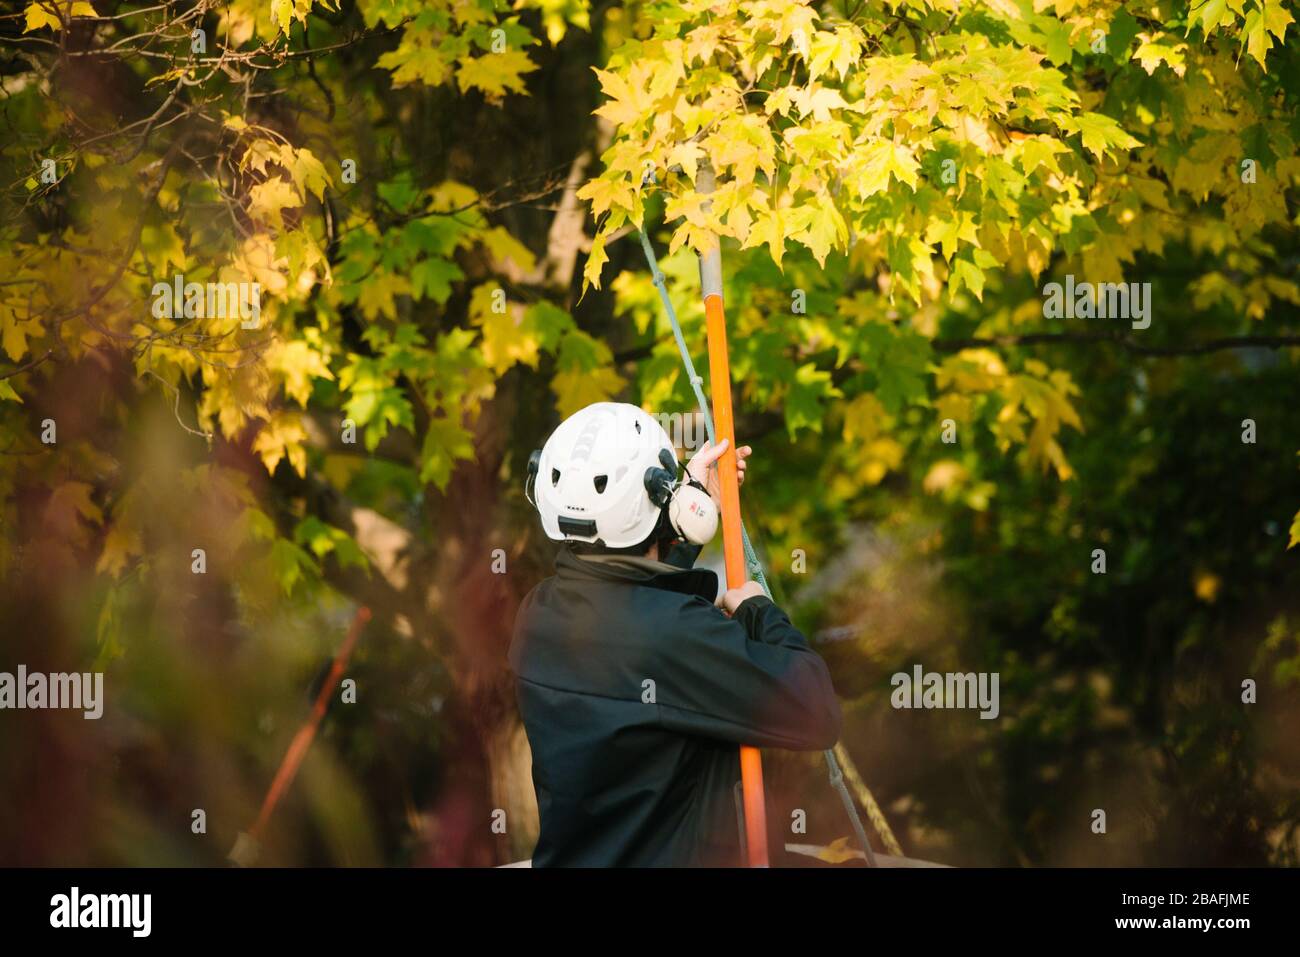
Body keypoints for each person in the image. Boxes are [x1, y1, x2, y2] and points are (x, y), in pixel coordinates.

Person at [509, 402, 842, 866]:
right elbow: (815, 709)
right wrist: (757, 610)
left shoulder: (539, 613)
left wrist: (680, 538)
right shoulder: (674, 633)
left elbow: (633, 609)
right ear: (663, 500)